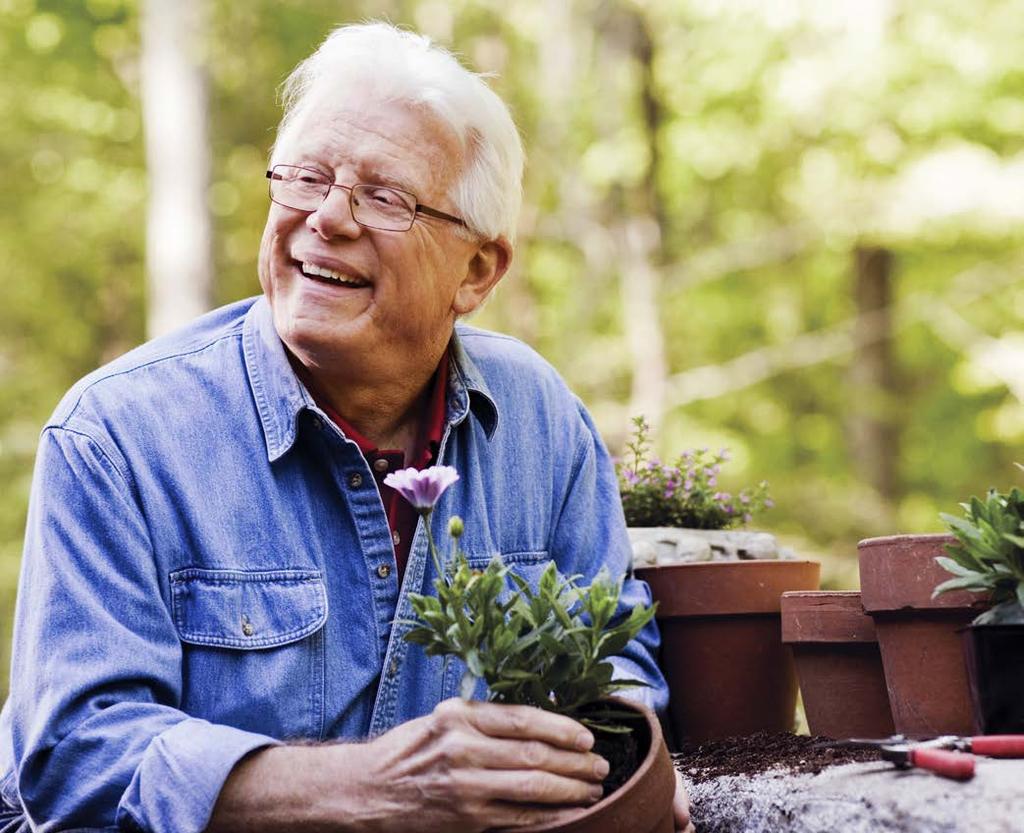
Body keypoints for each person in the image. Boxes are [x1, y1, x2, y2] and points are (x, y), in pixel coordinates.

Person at [0, 22, 692, 833]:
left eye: (383, 196)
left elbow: (613, 659)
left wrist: (629, 771)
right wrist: (382, 787)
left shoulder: (542, 422)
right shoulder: (117, 436)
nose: (327, 217)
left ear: (477, 270)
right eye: (305, 178)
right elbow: (77, 759)